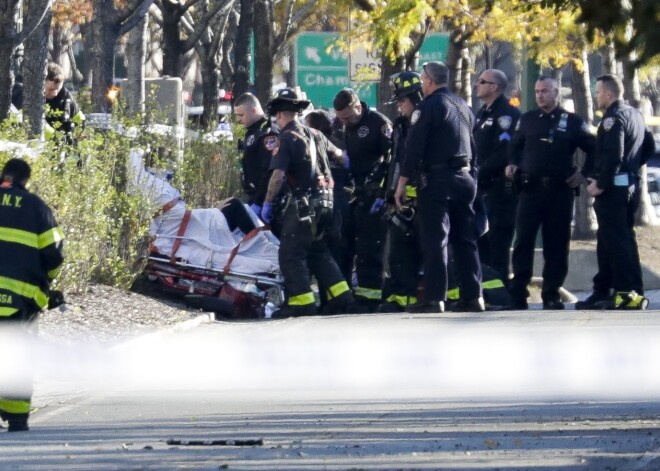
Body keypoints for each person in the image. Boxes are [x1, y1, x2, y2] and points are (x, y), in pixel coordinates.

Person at [394, 61, 484, 313]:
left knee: (436, 239)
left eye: (423, 80)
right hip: (465, 178)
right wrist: (472, 177)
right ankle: (473, 296)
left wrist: (402, 183)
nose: (422, 85)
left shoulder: (428, 107)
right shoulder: (463, 106)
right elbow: (474, 147)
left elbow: (414, 149)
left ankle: (435, 298)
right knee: (465, 240)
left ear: (430, 82)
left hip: (438, 179)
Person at [260, 88, 355, 317]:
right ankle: (344, 298)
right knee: (317, 252)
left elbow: (278, 176)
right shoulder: (317, 135)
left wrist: (268, 204)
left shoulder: (286, 139)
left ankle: (301, 302)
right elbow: (343, 158)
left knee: (290, 254)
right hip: (328, 205)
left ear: (280, 115)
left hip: (304, 207)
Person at [505, 76, 595, 310]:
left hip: (558, 191)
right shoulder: (527, 120)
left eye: (545, 91)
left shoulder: (572, 121)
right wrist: (513, 164)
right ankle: (519, 290)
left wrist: (584, 174)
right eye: (537, 91)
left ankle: (551, 292)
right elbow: (514, 146)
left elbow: (593, 149)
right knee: (523, 240)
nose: (540, 95)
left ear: (556, 92)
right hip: (530, 189)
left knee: (556, 243)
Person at [578, 74, 656, 310]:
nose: (596, 96)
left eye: (598, 91)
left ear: (609, 94)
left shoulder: (612, 119)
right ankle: (606, 290)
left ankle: (626, 291)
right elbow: (649, 147)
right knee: (614, 240)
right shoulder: (636, 114)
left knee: (617, 242)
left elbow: (614, 155)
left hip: (613, 189)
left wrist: (600, 183)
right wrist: (632, 169)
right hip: (629, 185)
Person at [0, 159, 65, 432]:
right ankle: (15, 419)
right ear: (26, 180)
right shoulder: (36, 207)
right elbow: (54, 253)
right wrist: (47, 285)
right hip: (19, 299)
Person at [333, 88, 393, 311]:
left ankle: (370, 297)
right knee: (347, 245)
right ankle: (349, 295)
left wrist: (383, 189)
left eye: (347, 117)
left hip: (374, 194)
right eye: (341, 119)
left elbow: (392, 157)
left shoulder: (378, 123)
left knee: (370, 248)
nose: (345, 122)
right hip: (353, 194)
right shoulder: (341, 124)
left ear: (358, 107)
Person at [376, 71, 424, 313]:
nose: (399, 105)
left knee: (427, 246)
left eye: (402, 100)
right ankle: (401, 295)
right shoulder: (400, 125)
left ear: (415, 97)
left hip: (425, 192)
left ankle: (430, 293)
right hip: (404, 195)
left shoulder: (424, 120)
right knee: (398, 248)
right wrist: (390, 192)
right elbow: (396, 160)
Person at [473, 68, 521, 283]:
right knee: (483, 242)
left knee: (498, 241)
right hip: (482, 188)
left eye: (481, 81)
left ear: (494, 87)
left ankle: (501, 289)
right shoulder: (483, 112)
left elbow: (503, 151)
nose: (477, 84)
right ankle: (488, 286)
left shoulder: (507, 112)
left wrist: (479, 172)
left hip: (500, 188)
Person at [304, 110, 351, 276]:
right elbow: (347, 167)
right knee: (340, 250)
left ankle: (330, 296)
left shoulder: (312, 144)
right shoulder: (339, 144)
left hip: (322, 202)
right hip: (340, 201)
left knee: (321, 250)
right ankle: (342, 293)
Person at [233, 93, 279, 215]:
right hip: (252, 196)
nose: (238, 120)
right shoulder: (253, 132)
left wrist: (260, 203)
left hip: (263, 199)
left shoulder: (267, 133)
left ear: (253, 110)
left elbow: (269, 171)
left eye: (241, 115)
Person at [44, 62, 85, 144]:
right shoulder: (33, 99)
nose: (55, 93)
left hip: (65, 147)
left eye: (57, 89)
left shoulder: (66, 96)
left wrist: (77, 133)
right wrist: (54, 137)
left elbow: (80, 119)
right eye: (50, 89)